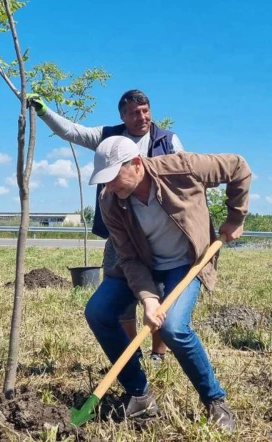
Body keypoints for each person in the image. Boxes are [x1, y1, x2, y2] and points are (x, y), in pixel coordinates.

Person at [84, 136, 251, 432]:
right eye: (104, 181)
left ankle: (215, 401)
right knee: (98, 311)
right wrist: (149, 298)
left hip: (185, 264)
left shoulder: (181, 168)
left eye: (112, 178)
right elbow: (130, 258)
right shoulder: (110, 201)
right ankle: (139, 394)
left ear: (136, 164)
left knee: (173, 327)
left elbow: (238, 167)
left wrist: (235, 217)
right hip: (143, 265)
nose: (108, 187)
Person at [28, 89, 182, 364]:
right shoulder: (108, 137)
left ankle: (159, 353)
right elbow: (72, 132)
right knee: (122, 295)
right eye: (134, 113)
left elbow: (184, 177)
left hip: (158, 234)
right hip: (120, 234)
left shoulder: (168, 141)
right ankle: (131, 351)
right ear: (122, 115)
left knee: (159, 294)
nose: (142, 117)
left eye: (145, 111)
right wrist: (44, 112)